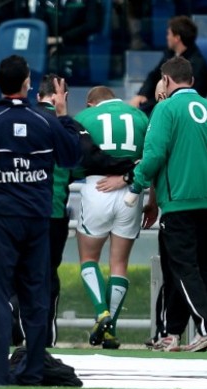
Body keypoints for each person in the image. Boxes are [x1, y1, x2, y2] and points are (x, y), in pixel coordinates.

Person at [0, 55, 80, 385]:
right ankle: (32, 372)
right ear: (27, 84)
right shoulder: (45, 121)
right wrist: (63, 115)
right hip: (37, 222)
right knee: (36, 298)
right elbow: (71, 156)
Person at [126, 56, 207, 352]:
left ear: (165, 80)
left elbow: (154, 155)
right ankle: (171, 332)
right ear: (191, 79)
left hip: (178, 204)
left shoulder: (165, 109)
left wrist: (137, 185)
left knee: (182, 269)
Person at [73, 86, 148, 350]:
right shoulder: (139, 116)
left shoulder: (84, 117)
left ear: (91, 102)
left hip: (97, 186)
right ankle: (110, 331)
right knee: (119, 263)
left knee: (89, 257)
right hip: (131, 189)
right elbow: (152, 156)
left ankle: (101, 312)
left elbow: (74, 157)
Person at [35, 73, 71, 347]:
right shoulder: (67, 126)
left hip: (23, 210)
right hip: (55, 210)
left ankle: (24, 334)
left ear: (37, 96)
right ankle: (46, 337)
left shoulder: (25, 120)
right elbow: (79, 162)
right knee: (48, 274)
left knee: (22, 274)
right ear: (64, 97)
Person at [128, 16, 207, 115]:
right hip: (164, 101)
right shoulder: (170, 53)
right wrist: (142, 94)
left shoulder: (196, 64)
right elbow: (154, 76)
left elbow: (183, 97)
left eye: (169, 34)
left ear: (177, 38)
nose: (167, 37)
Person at [34, 0, 102, 84]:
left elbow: (91, 24)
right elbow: (39, 24)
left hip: (77, 47)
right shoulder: (46, 2)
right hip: (51, 48)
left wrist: (62, 39)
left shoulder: (87, 2)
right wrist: (50, 44)